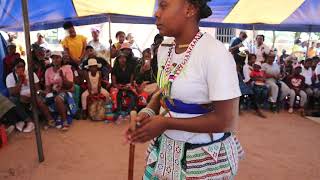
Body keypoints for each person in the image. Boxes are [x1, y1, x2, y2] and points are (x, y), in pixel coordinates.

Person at [126, 0, 243, 179]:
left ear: (189, 9)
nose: (156, 13)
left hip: (203, 159)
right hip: (165, 152)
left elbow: (226, 121)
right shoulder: (165, 48)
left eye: (164, 5)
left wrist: (166, 123)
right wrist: (149, 111)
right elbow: (166, 90)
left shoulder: (215, 53)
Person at [6, 58, 54, 131]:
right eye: (18, 67)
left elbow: (37, 89)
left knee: (39, 100)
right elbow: (12, 93)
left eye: (22, 66)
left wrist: (33, 95)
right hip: (20, 98)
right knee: (12, 99)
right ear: (14, 67)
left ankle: (50, 119)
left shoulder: (31, 74)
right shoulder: (10, 77)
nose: (21, 68)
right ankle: (29, 121)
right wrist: (20, 81)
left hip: (32, 96)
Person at [45, 51, 75, 131]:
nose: (55, 60)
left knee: (58, 98)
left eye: (57, 57)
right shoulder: (48, 71)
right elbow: (48, 86)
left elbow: (70, 86)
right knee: (41, 99)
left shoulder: (67, 69)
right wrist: (47, 94)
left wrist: (63, 77)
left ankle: (65, 121)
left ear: (61, 59)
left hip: (66, 91)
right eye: (53, 58)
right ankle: (51, 120)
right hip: (53, 92)